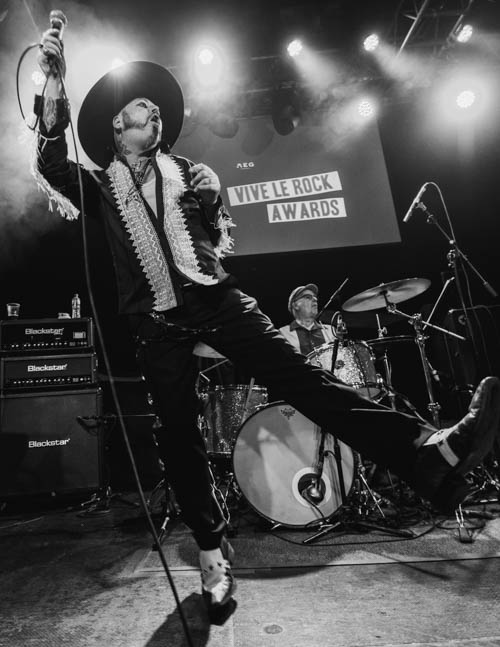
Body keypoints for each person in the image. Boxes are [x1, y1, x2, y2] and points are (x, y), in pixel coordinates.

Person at [33, 26, 500, 624]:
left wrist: (212, 200)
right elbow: (50, 162)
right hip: (154, 322)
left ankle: (429, 455)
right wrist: (53, 80)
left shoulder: (189, 172)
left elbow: (214, 236)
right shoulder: (101, 185)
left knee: (305, 380)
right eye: (137, 111)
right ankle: (211, 556)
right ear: (118, 131)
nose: (149, 114)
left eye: (152, 111)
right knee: (177, 438)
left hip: (214, 300)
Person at [279, 283, 336, 356]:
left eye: (315, 297)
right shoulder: (283, 333)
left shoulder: (331, 331)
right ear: (295, 305)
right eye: (308, 297)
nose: (315, 299)